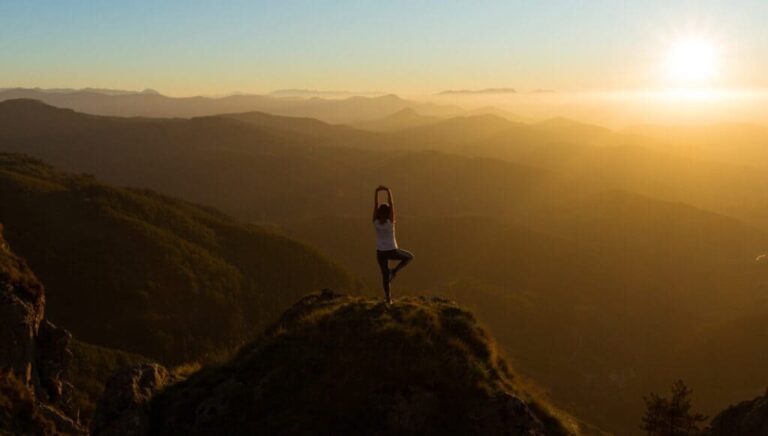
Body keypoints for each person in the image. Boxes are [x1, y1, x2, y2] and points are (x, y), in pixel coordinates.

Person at [373, 185, 414, 306]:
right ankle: (394, 272)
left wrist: (376, 192)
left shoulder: (375, 222)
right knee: (409, 257)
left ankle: (388, 299)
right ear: (388, 212)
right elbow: (392, 205)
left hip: (380, 252)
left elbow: (375, 206)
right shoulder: (390, 223)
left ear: (379, 212)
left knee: (384, 276)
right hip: (392, 250)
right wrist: (388, 191)